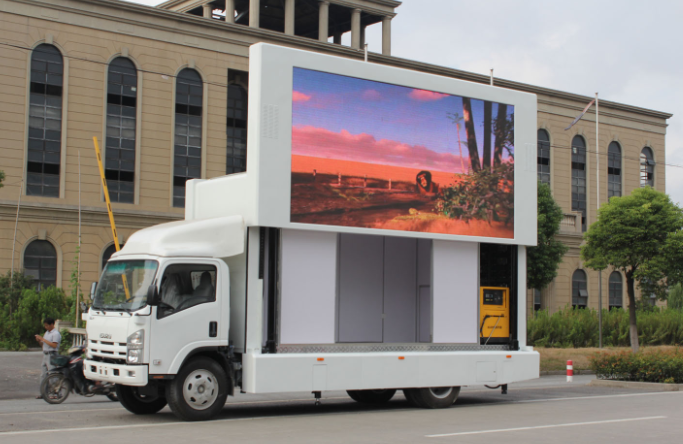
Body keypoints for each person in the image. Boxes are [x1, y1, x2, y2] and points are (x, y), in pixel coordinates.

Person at [35, 317, 61, 399]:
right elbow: (43, 345)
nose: (46, 327)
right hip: (45, 354)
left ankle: (55, 393)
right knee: (43, 374)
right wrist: (40, 341)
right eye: (45, 326)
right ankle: (44, 393)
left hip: (52, 354)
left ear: (52, 324)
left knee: (52, 374)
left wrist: (43, 339)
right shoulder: (47, 333)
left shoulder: (55, 334)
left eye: (47, 325)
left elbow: (54, 345)